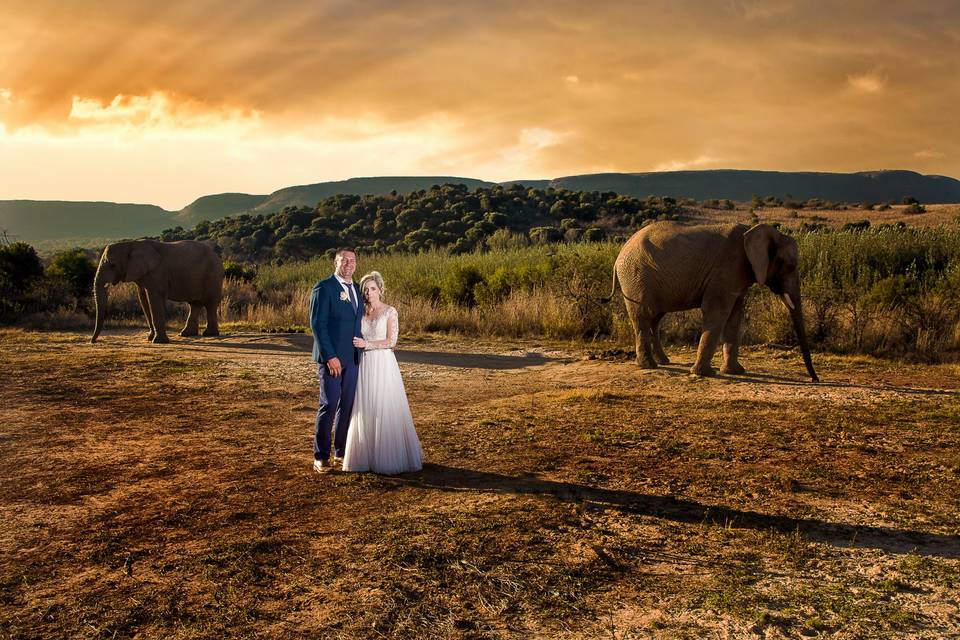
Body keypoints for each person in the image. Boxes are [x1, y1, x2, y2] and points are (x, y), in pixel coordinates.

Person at [342, 271, 422, 475]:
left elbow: (391, 341)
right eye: (366, 290)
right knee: (366, 406)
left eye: (373, 288)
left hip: (383, 364)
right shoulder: (361, 312)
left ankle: (387, 457)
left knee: (383, 404)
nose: (369, 293)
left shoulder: (390, 311)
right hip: (365, 364)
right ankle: (365, 456)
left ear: (380, 289)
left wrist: (366, 344)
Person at [309, 248, 363, 473]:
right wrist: (330, 356)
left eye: (353, 261)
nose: (349, 264)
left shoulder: (358, 289)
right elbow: (318, 325)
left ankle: (341, 452)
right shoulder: (324, 288)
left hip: (352, 359)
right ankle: (321, 456)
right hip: (332, 359)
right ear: (336, 263)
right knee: (329, 405)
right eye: (345, 260)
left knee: (347, 406)